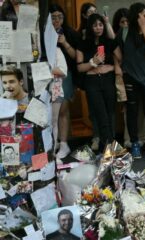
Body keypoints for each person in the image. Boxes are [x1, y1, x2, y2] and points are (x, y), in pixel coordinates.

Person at [116, 2, 145, 159]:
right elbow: (115, 48)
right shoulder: (124, 31)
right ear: (136, 16)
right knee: (132, 112)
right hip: (131, 77)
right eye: (144, 15)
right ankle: (135, 143)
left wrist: (143, 28)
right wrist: (119, 65)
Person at [76, 13, 122, 152]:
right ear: (90, 26)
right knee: (100, 113)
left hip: (108, 79)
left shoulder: (109, 41)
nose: (98, 28)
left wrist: (112, 64)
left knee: (110, 113)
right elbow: (79, 67)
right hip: (92, 81)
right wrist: (92, 62)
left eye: (100, 25)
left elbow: (120, 57)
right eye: (95, 25)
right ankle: (110, 147)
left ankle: (109, 145)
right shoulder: (83, 43)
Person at [49, 4, 80, 160]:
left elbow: (76, 57)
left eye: (59, 17)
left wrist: (65, 42)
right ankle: (52, 143)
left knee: (63, 110)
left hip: (65, 76)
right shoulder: (45, 32)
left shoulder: (70, 33)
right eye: (53, 17)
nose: (56, 20)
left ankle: (64, 143)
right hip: (47, 76)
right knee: (50, 112)